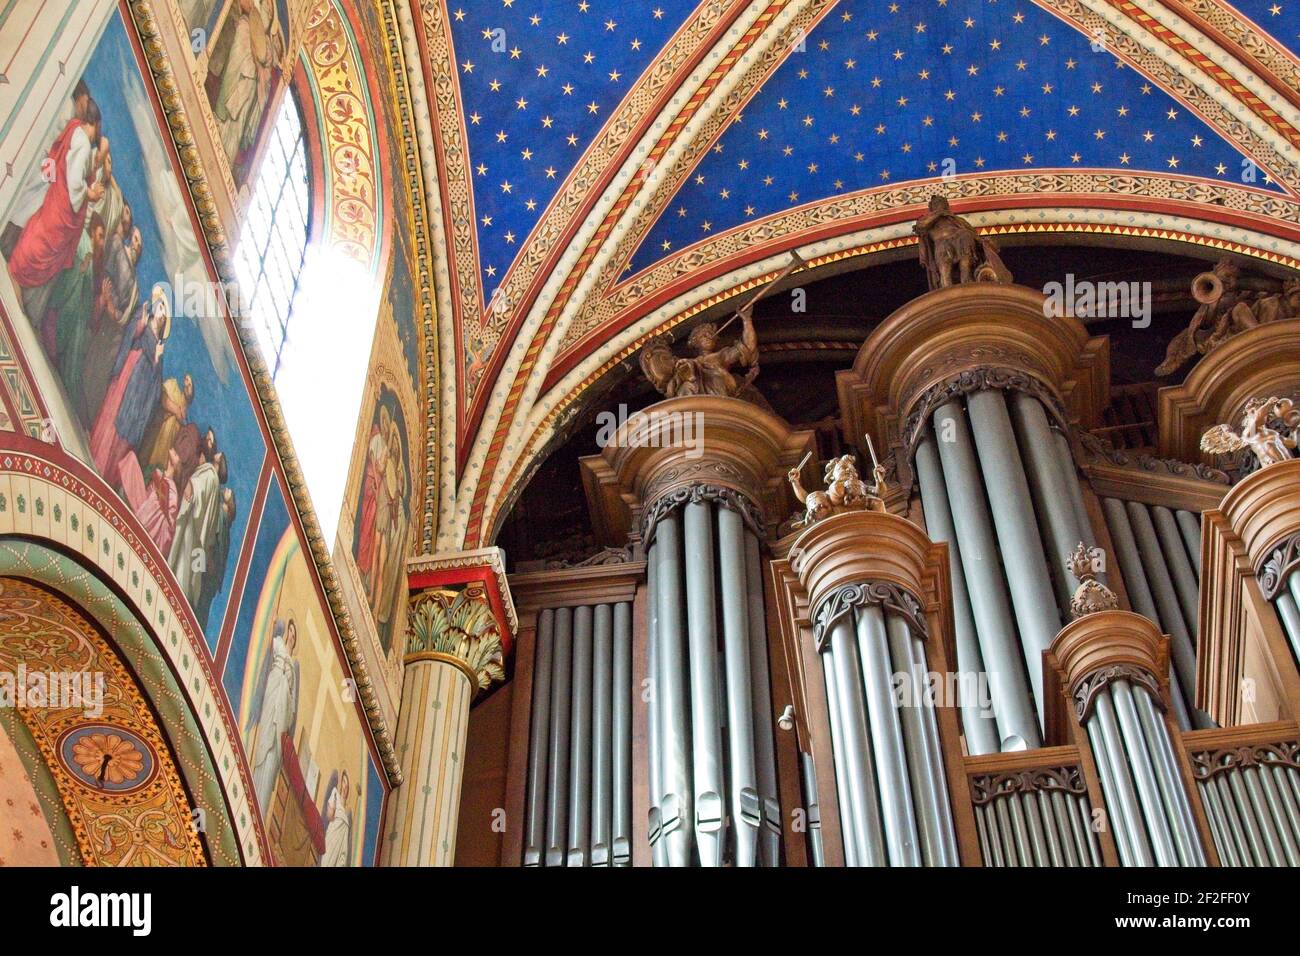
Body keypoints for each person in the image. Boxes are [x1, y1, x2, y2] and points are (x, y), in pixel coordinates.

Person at [8, 98, 105, 325]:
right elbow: (74, 185)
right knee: (42, 243)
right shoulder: (83, 144)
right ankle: (15, 272)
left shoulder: (74, 130)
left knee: (38, 233)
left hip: (55, 200)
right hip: (61, 208)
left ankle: (17, 274)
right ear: (96, 123)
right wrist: (91, 194)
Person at [89, 284, 170, 489]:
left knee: (126, 427)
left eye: (165, 315)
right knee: (114, 412)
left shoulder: (160, 347)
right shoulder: (142, 316)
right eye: (161, 309)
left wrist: (157, 360)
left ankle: (108, 473)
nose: (161, 315)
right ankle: (98, 456)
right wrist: (140, 325)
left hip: (139, 390)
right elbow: (129, 336)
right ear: (156, 306)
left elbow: (156, 387)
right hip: (128, 374)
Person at [249, 617, 298, 813]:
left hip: (283, 708)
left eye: (295, 635)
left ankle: (261, 805)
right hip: (272, 694)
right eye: (291, 632)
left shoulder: (294, 669)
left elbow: (293, 708)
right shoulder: (277, 644)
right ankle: (252, 787)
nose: (292, 637)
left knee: (273, 756)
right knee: (264, 745)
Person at [168, 449, 227, 608]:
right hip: (200, 536)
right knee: (192, 571)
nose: (217, 452)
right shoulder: (215, 487)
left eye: (219, 455)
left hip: (192, 528)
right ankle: (186, 598)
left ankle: (176, 595)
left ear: (219, 463)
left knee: (182, 563)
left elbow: (193, 492)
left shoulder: (209, 474)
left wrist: (179, 472)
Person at [140, 374, 195, 475]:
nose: (187, 385)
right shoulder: (172, 385)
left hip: (167, 446)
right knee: (145, 461)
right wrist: (176, 410)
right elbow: (163, 399)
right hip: (156, 432)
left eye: (190, 384)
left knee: (157, 470)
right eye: (187, 380)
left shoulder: (185, 412)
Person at [320, 770, 352, 867]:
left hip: (340, 845)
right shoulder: (335, 794)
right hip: (332, 836)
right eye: (344, 782)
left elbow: (344, 846)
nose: (345, 786)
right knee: (327, 861)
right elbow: (329, 816)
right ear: (341, 783)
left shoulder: (347, 815)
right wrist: (332, 807)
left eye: (347, 784)